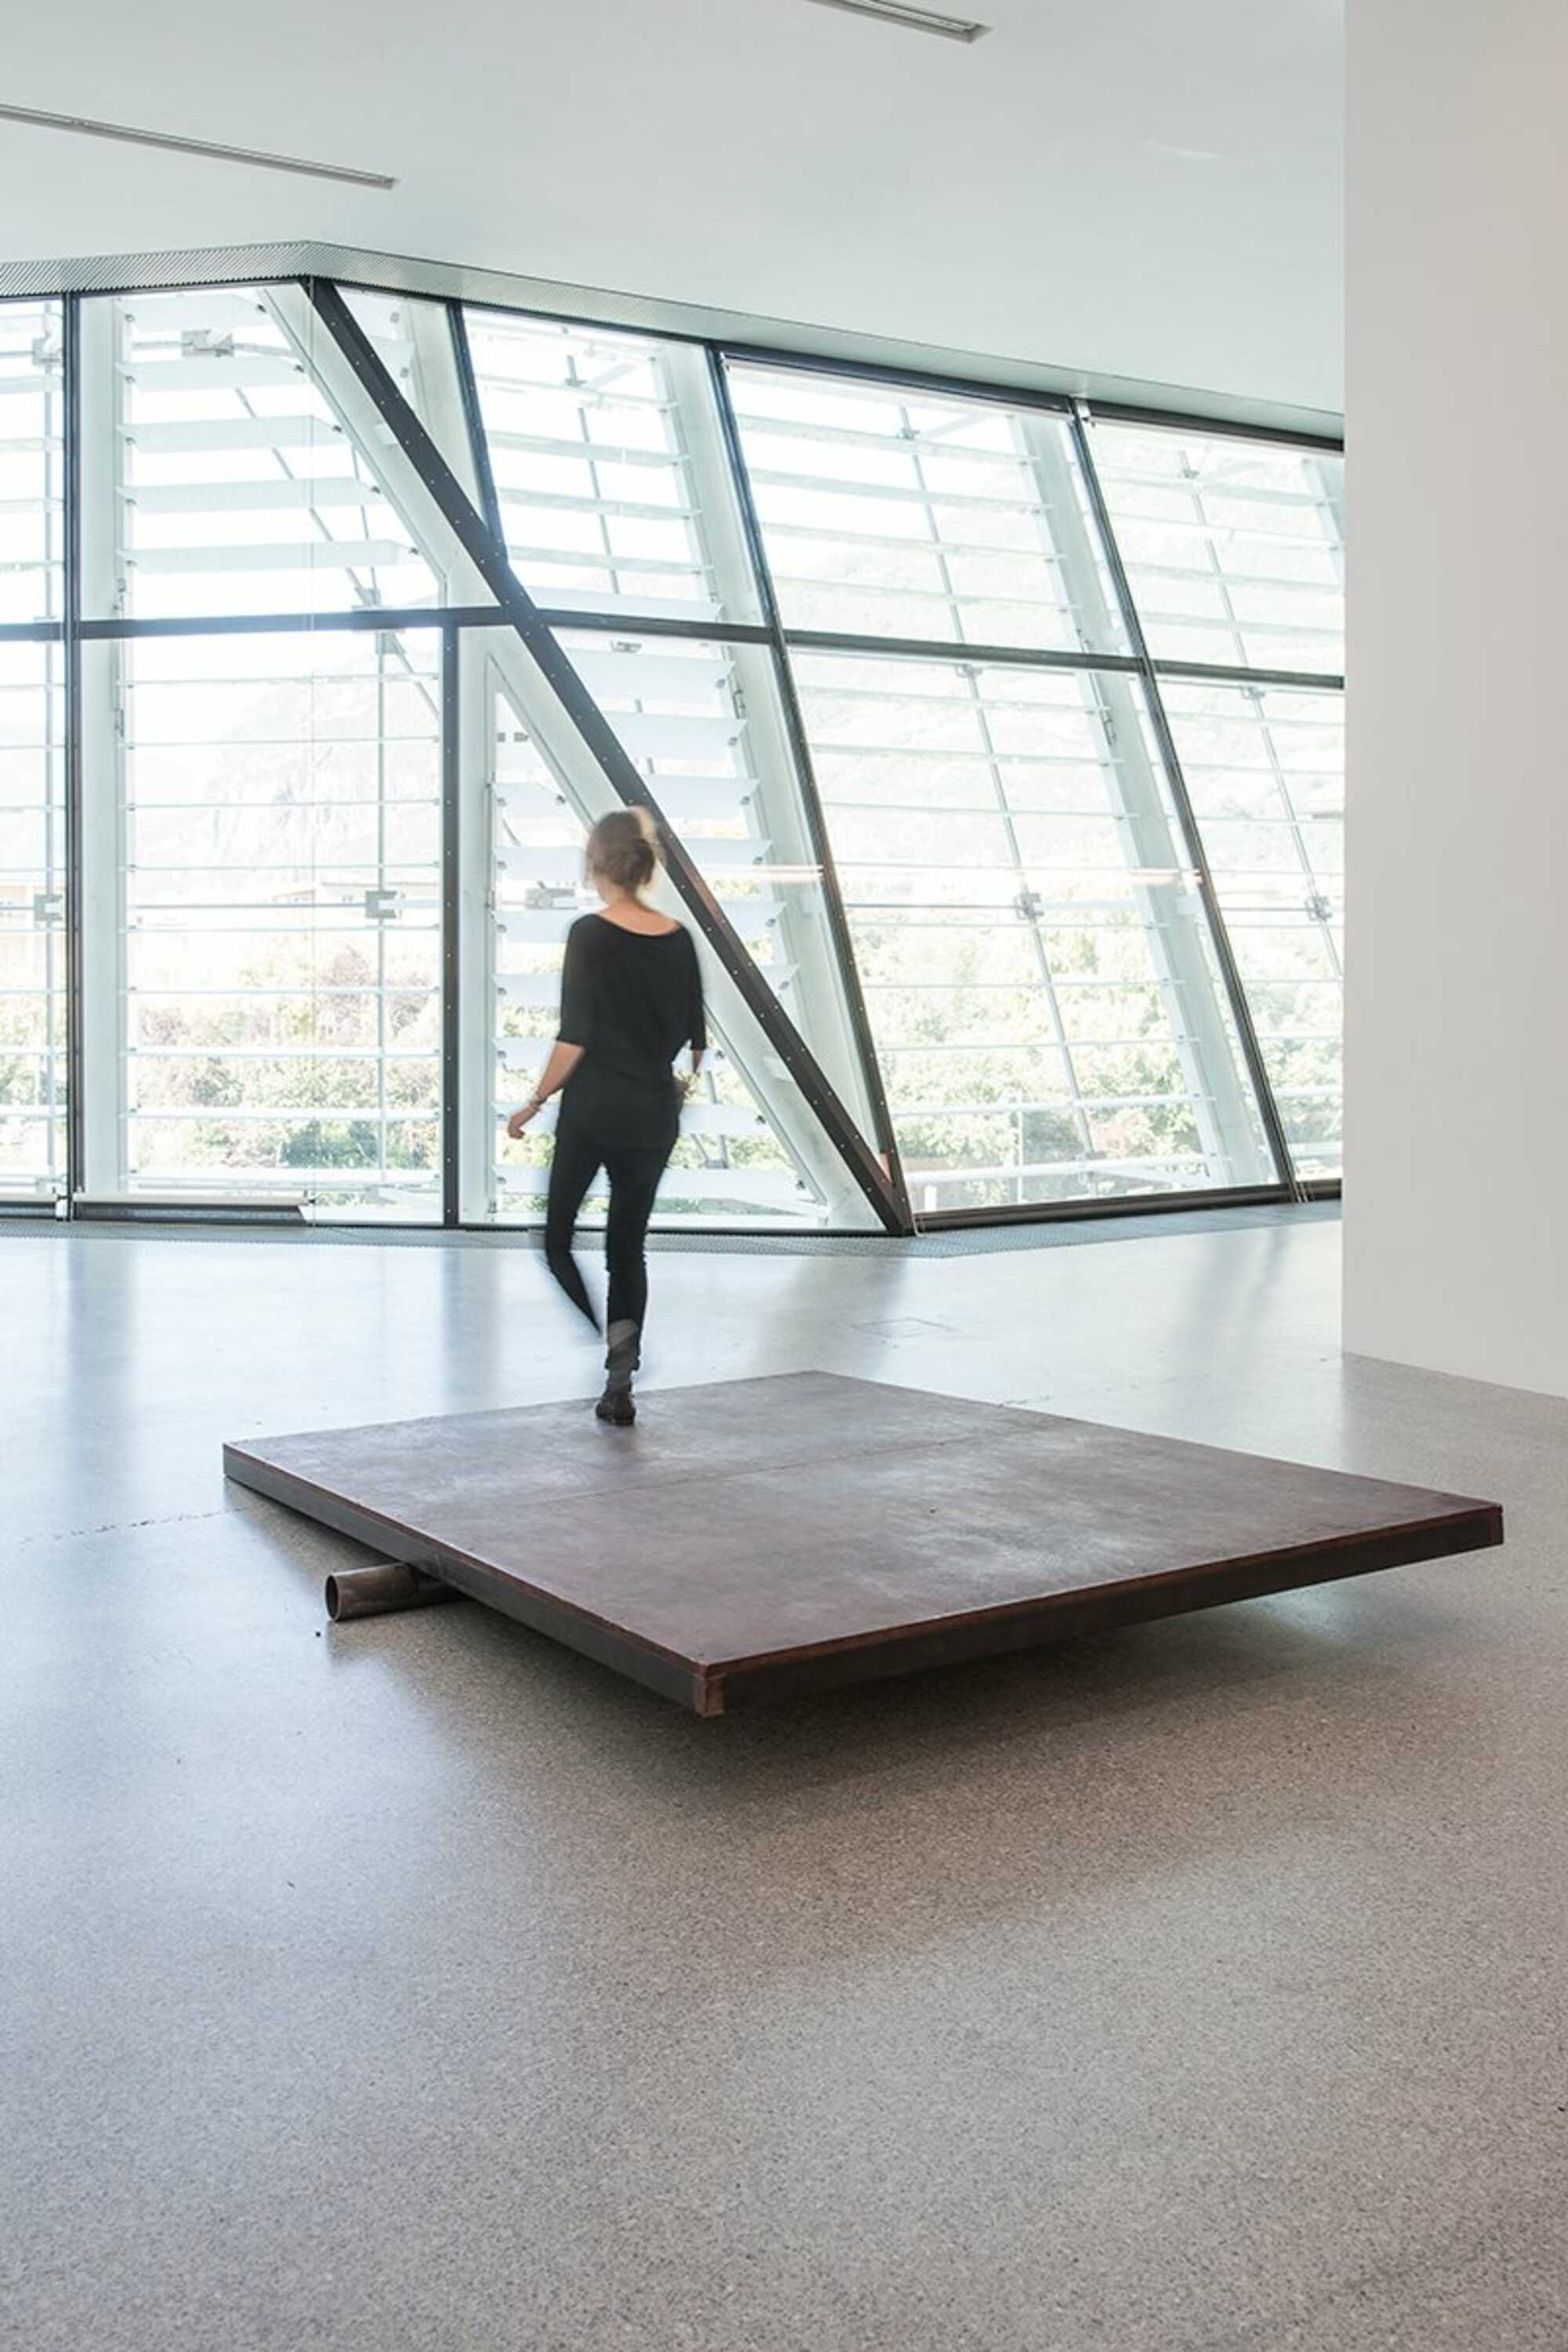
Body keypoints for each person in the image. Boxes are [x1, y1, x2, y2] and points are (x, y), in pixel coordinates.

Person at [506, 808, 705, 1426]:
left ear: (596, 865)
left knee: (557, 1240)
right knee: (627, 1247)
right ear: (644, 867)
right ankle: (621, 1378)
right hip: (654, 1112)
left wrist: (535, 1101)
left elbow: (575, 1038)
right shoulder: (679, 939)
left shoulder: (589, 935)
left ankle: (608, 1336)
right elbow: (695, 1042)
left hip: (593, 1110)